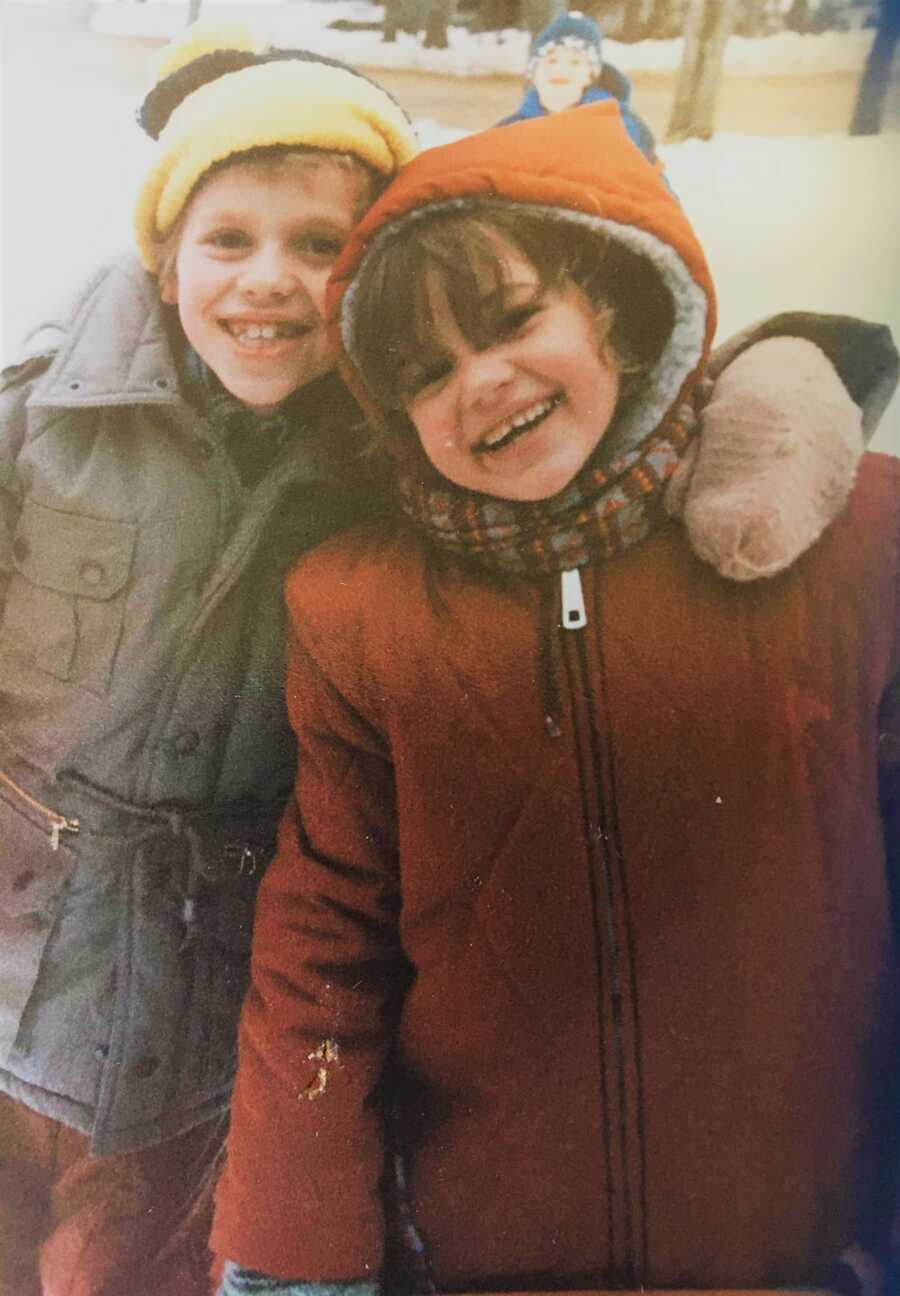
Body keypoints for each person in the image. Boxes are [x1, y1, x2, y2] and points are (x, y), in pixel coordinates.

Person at [211, 102, 900, 1296]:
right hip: (486, 1240)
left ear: (619, 311)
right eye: (425, 373)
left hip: (793, 1236)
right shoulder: (358, 613)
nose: (483, 381)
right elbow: (326, 933)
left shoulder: (853, 542)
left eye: (514, 320)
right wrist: (295, 1244)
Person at [0, 23, 418, 1296]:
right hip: (16, 983)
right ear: (167, 252)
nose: (268, 281)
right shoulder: (38, 424)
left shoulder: (403, 460)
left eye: (320, 245)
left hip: (210, 1031)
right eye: (228, 240)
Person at [497, 10, 660, 167]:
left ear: (589, 76)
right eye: (551, 60)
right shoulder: (510, 130)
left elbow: (653, 185)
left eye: (575, 62)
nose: (561, 69)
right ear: (533, 73)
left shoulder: (623, 126)